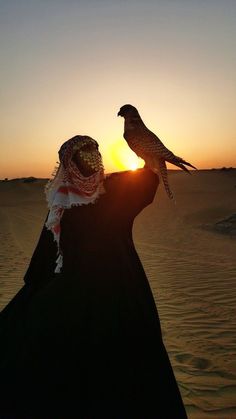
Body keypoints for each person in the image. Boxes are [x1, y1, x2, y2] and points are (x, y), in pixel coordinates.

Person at [0, 135, 187, 419]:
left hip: (89, 293)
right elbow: (147, 183)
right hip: (117, 289)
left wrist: (34, 293)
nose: (93, 157)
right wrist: (150, 158)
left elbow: (42, 261)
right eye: (86, 153)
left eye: (94, 150)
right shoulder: (105, 194)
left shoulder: (64, 202)